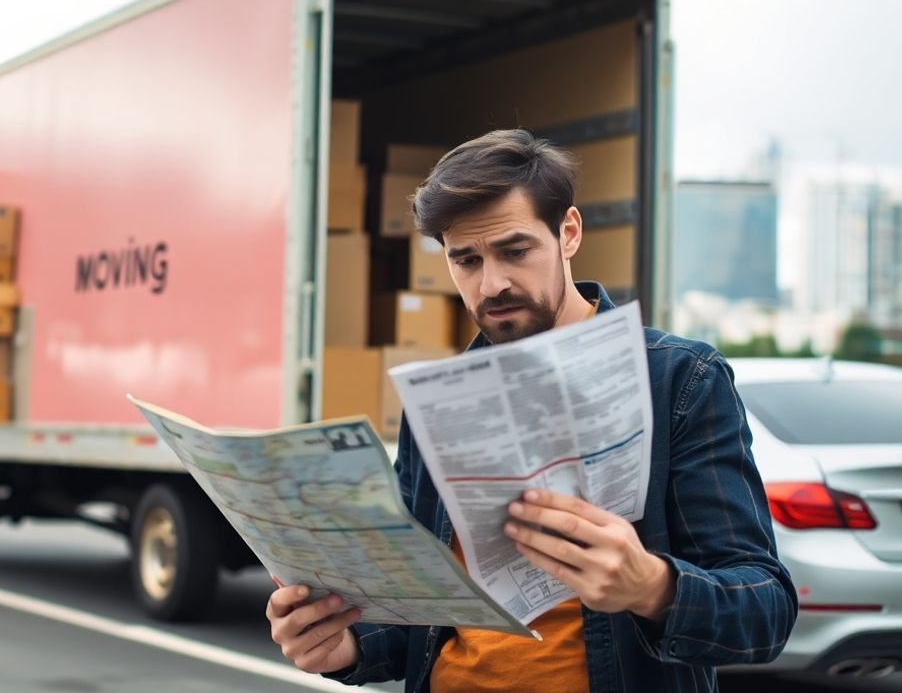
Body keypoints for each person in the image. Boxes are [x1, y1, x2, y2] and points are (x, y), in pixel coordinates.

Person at [267, 129, 796, 692]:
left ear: (568, 233)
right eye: (465, 260)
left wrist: (652, 587)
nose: (492, 283)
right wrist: (343, 645)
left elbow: (765, 610)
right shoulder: (440, 401)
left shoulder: (680, 381)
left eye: (515, 251)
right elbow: (419, 616)